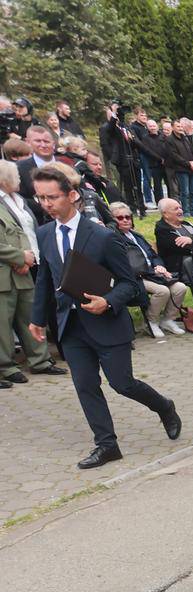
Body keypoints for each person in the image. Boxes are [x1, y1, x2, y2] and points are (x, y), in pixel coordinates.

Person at [29, 166, 180, 468]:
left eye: (52, 197)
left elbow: (131, 285)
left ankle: (164, 406)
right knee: (85, 385)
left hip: (107, 323)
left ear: (72, 196)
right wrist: (37, 318)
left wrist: (108, 302)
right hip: (70, 326)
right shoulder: (44, 233)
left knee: (122, 383)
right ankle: (107, 445)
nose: (45, 204)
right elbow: (46, 278)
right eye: (40, 197)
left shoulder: (102, 236)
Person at [0, 159, 60, 384]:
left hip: (27, 267)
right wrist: (18, 257)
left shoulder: (20, 201)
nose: (20, 179)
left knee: (31, 316)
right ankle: (6, 367)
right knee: (2, 323)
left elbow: (28, 231)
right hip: (5, 271)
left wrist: (30, 257)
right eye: (16, 175)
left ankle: (40, 361)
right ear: (4, 178)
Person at [110, 201, 188, 338]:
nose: (125, 220)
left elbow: (153, 254)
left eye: (128, 217)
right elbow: (129, 265)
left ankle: (168, 319)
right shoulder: (114, 239)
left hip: (152, 273)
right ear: (113, 220)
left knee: (180, 287)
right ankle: (151, 321)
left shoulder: (137, 236)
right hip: (136, 277)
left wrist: (160, 266)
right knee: (162, 291)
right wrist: (152, 271)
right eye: (120, 218)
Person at [152, 199, 193, 277]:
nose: (181, 211)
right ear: (165, 214)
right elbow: (183, 248)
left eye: (180, 208)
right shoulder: (162, 230)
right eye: (176, 209)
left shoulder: (187, 225)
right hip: (179, 269)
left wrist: (191, 241)